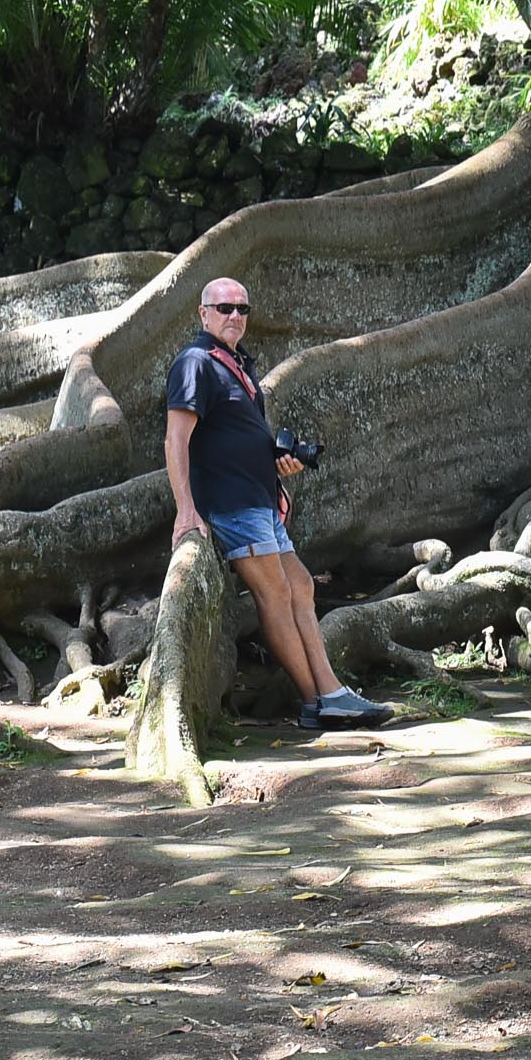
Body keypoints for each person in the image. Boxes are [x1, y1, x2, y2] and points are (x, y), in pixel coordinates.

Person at [163, 277, 393, 731]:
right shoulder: (194, 363)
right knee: (276, 593)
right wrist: (186, 510)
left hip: (259, 500)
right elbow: (176, 439)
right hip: (231, 504)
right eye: (225, 307)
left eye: (243, 309)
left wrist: (278, 472)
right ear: (203, 313)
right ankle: (321, 698)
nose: (234, 316)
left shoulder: (238, 366)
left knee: (301, 586)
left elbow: (235, 437)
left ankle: (329, 694)